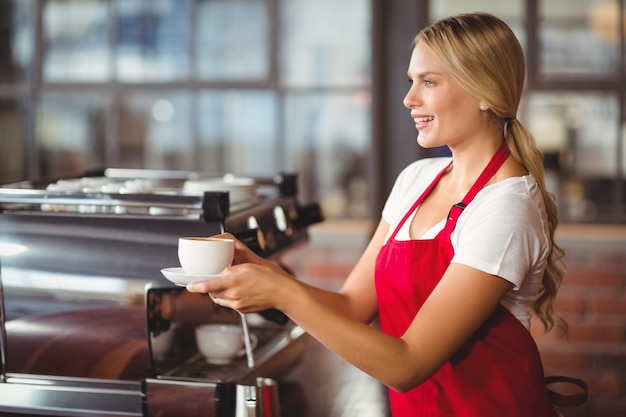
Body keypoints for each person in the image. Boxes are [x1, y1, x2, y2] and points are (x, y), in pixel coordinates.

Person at [187, 13, 575, 416]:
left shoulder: (506, 206)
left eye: (429, 82)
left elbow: (408, 364)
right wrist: (264, 272)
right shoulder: (415, 180)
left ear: (485, 93)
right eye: (411, 81)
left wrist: (281, 294)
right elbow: (351, 307)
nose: (409, 98)